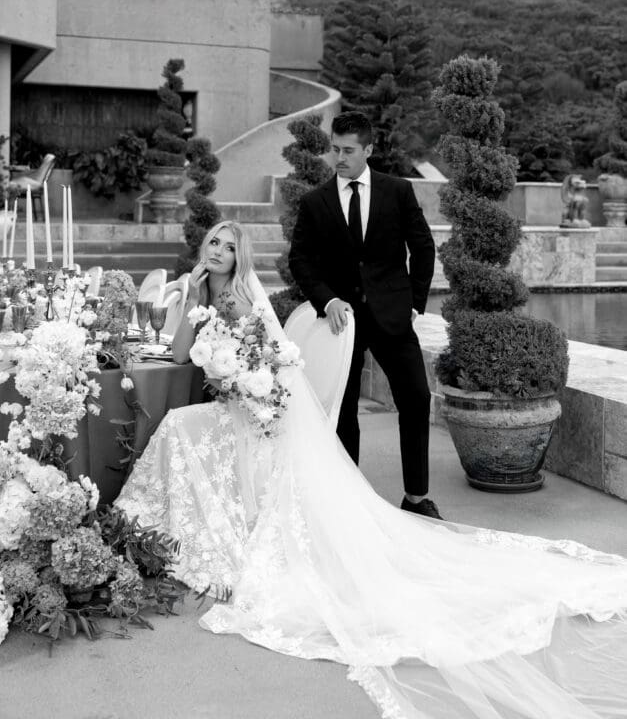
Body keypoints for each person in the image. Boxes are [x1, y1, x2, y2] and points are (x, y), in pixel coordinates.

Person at [115, 220, 627, 719]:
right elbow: (181, 353)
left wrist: (244, 386)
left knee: (180, 426)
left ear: (240, 256)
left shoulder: (247, 300)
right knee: (182, 426)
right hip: (233, 405)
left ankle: (161, 532)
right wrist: (193, 298)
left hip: (257, 410)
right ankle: (160, 530)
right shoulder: (201, 292)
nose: (217, 251)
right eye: (212, 243)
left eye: (227, 247)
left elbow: (273, 366)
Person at [289, 110, 440, 518]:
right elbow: (301, 260)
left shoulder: (398, 191)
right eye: (334, 149)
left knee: (416, 398)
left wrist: (414, 302)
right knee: (344, 407)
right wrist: (327, 300)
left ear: (368, 149)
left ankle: (417, 497)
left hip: (393, 315)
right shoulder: (315, 201)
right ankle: (347, 495)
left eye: (348, 150)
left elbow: (423, 247)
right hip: (342, 322)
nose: (339, 157)